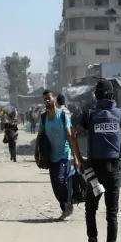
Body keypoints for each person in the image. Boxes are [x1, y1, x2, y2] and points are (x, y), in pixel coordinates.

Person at [78, 79, 121, 242]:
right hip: (114, 170)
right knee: (112, 213)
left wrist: (79, 159)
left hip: (94, 170)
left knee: (91, 209)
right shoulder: (120, 114)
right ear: (112, 95)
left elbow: (73, 133)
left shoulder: (90, 114)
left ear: (96, 95)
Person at [36, 90, 82, 221]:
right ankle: (65, 207)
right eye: (45, 99)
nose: (47, 100)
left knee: (60, 180)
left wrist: (75, 156)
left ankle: (68, 203)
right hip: (51, 155)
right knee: (55, 184)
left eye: (49, 98)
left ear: (54, 99)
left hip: (64, 154)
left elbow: (69, 135)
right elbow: (40, 135)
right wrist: (36, 151)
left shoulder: (63, 115)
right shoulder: (44, 117)